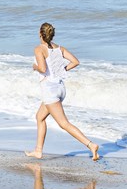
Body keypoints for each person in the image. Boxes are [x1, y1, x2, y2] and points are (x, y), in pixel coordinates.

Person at [25, 23, 100, 161]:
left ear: (40, 34)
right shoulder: (59, 48)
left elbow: (42, 68)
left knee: (63, 124)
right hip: (60, 88)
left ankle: (91, 145)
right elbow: (75, 61)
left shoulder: (39, 49)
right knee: (40, 117)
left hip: (50, 90)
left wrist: (35, 67)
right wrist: (62, 70)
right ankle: (38, 151)